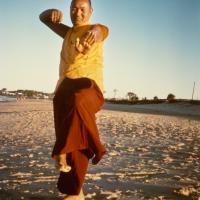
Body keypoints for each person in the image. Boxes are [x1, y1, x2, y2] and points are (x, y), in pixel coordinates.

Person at [39, 0, 109, 199]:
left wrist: (92, 34)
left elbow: (100, 31)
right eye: (73, 9)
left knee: (79, 101)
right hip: (63, 91)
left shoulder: (97, 29)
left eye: (82, 9)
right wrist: (50, 12)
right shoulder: (68, 32)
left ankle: (91, 148)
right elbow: (43, 19)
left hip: (89, 88)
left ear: (91, 11)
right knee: (75, 139)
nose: (77, 13)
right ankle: (76, 192)